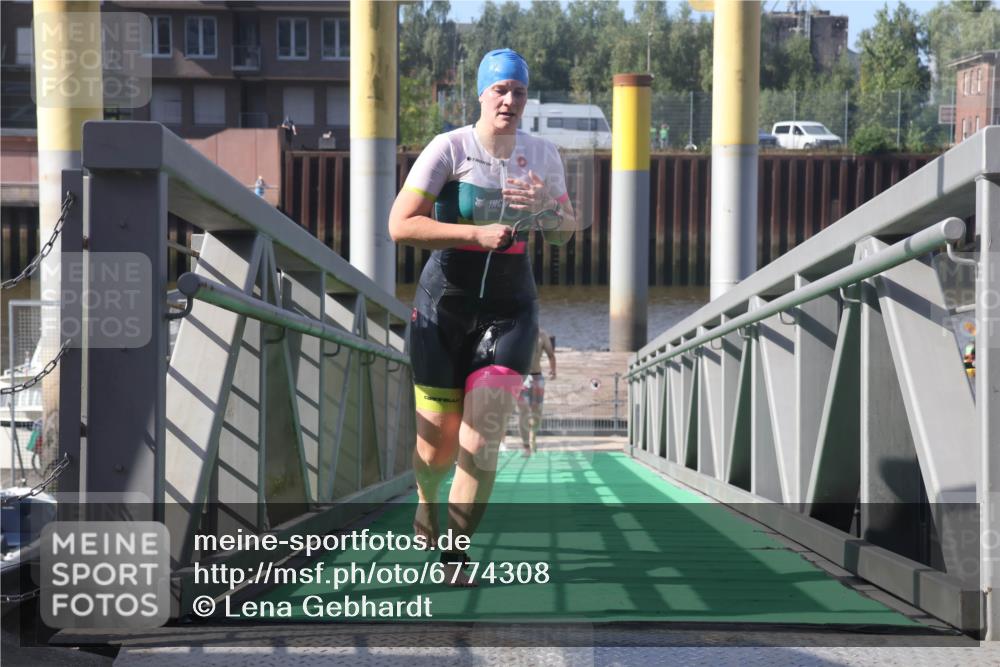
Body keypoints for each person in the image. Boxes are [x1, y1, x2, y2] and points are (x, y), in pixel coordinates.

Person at [388, 48, 576, 586]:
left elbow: (567, 229)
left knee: (481, 435)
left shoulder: (542, 155)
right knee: (437, 446)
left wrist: (550, 207)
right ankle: (426, 498)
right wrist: (473, 233)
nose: (510, 100)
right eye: (501, 90)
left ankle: (456, 556)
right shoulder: (449, 148)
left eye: (519, 91)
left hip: (511, 310)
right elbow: (400, 225)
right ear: (481, 94)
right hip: (444, 306)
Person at [517, 328, 556, 455]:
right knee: (524, 411)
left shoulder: (542, 335)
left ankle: (533, 436)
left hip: (537, 376)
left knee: (537, 413)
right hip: (521, 378)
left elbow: (550, 354)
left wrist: (553, 369)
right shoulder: (518, 332)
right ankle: (525, 445)